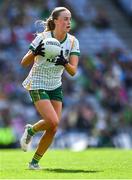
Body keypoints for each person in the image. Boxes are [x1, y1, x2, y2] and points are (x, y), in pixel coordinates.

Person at [20, 7, 80, 170]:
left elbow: (73, 71)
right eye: (65, 18)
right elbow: (24, 62)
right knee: (52, 120)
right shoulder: (42, 37)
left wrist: (64, 62)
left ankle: (34, 163)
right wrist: (34, 53)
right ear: (55, 21)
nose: (69, 22)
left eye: (70, 18)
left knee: (53, 127)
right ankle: (31, 131)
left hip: (55, 85)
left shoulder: (73, 41)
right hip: (37, 81)